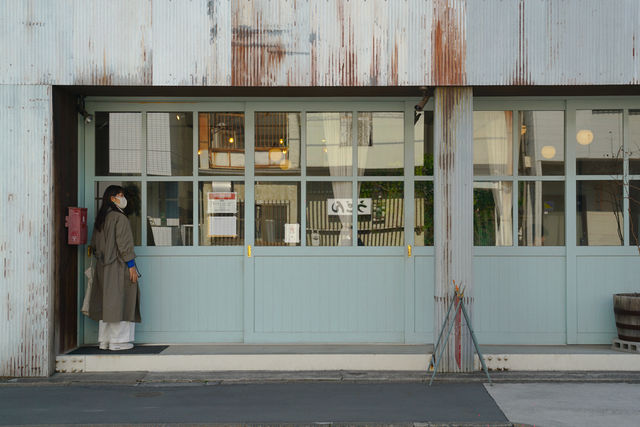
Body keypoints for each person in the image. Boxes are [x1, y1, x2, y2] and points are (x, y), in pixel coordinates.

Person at [87, 185, 141, 351]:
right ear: (112, 198)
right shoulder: (120, 218)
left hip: (103, 268)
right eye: (120, 195)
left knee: (107, 304)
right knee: (122, 301)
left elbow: (94, 245)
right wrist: (131, 266)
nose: (122, 197)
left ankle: (105, 340)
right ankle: (119, 341)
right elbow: (124, 245)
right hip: (119, 267)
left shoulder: (101, 219)